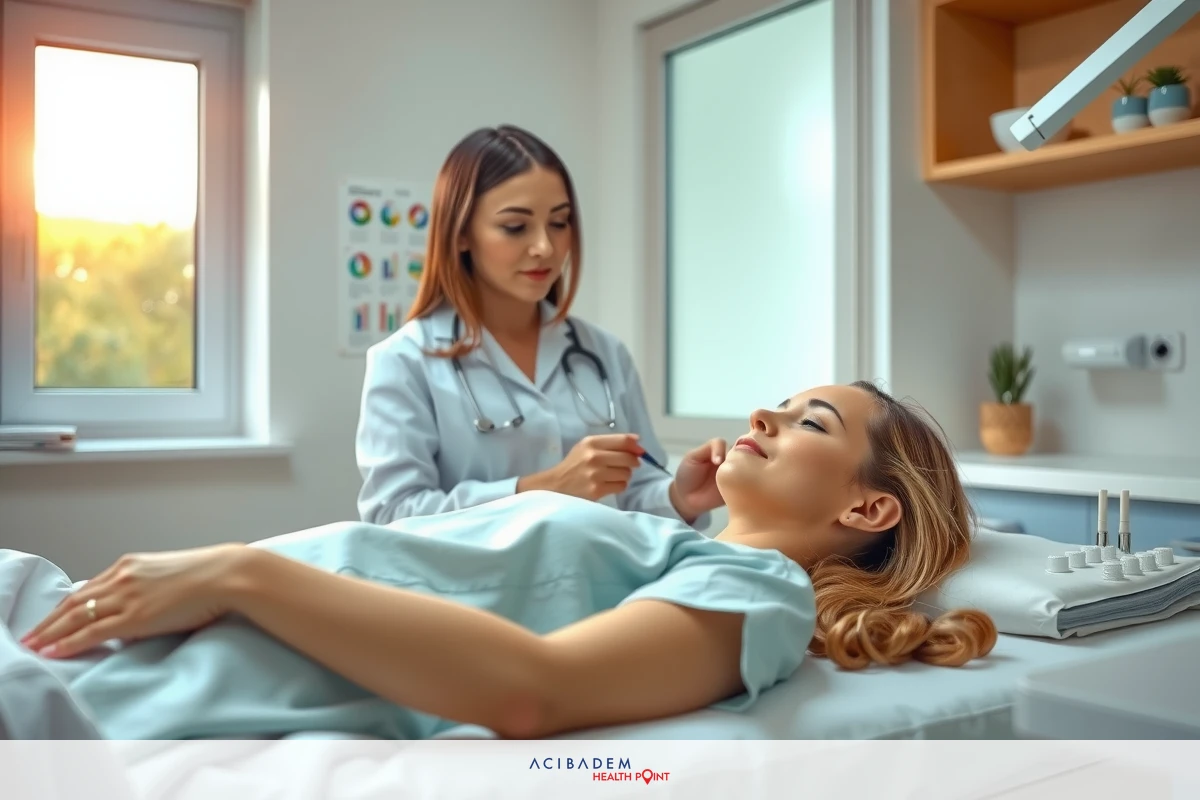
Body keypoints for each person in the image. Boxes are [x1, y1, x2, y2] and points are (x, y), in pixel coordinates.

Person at [8, 382, 996, 741]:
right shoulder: (675, 541)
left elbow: (537, 692)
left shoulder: (760, 590)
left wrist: (237, 571)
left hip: (141, 681)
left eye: (809, 418)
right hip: (87, 615)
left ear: (868, 504)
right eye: (777, 401)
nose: (763, 414)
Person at [355, 124, 725, 529]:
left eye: (559, 223)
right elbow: (391, 514)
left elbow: (635, 494)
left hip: (605, 585)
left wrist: (680, 497)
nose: (545, 248)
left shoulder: (603, 353)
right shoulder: (405, 361)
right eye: (516, 227)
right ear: (461, 234)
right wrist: (541, 489)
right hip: (467, 591)